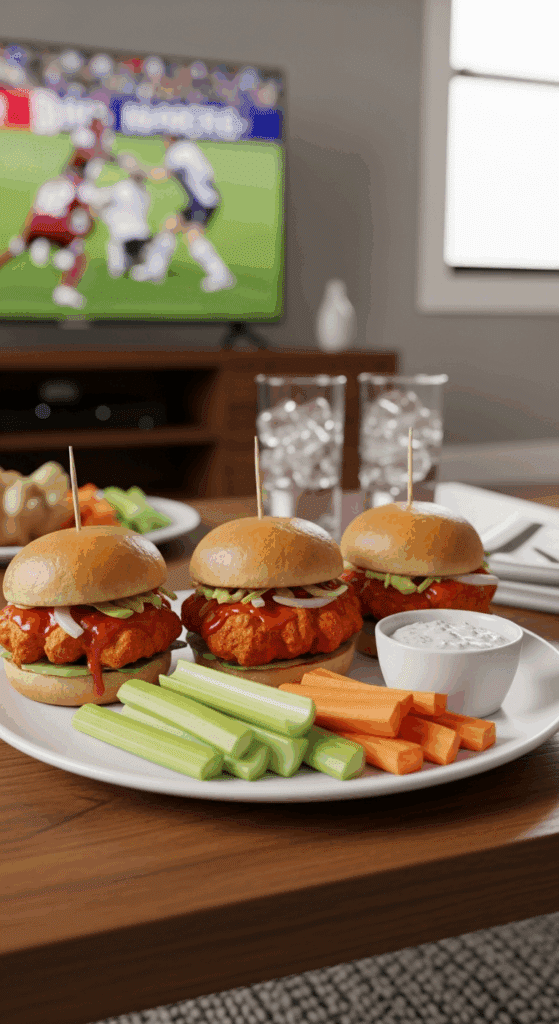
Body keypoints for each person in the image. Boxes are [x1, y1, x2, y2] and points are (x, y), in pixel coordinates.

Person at [150, 135, 236, 293]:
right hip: (204, 198)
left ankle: (221, 277)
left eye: (165, 138)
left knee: (193, 239)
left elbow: (161, 175)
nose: (163, 142)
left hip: (202, 202)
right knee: (170, 225)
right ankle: (154, 270)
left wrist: (137, 169)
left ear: (171, 138)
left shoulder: (176, 152)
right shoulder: (190, 147)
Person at [0, 169, 93, 309]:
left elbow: (34, 209)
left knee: (16, 248)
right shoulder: (75, 186)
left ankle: (41, 244)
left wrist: (26, 234)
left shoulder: (48, 184)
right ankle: (65, 289)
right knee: (79, 253)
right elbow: (82, 213)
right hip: (58, 225)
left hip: (36, 223)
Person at [78, 159, 176, 282]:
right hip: (126, 240)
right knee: (165, 241)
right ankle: (146, 271)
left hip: (134, 239)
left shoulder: (138, 192)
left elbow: (95, 201)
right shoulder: (127, 189)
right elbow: (97, 201)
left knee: (163, 241)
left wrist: (103, 213)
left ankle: (143, 269)